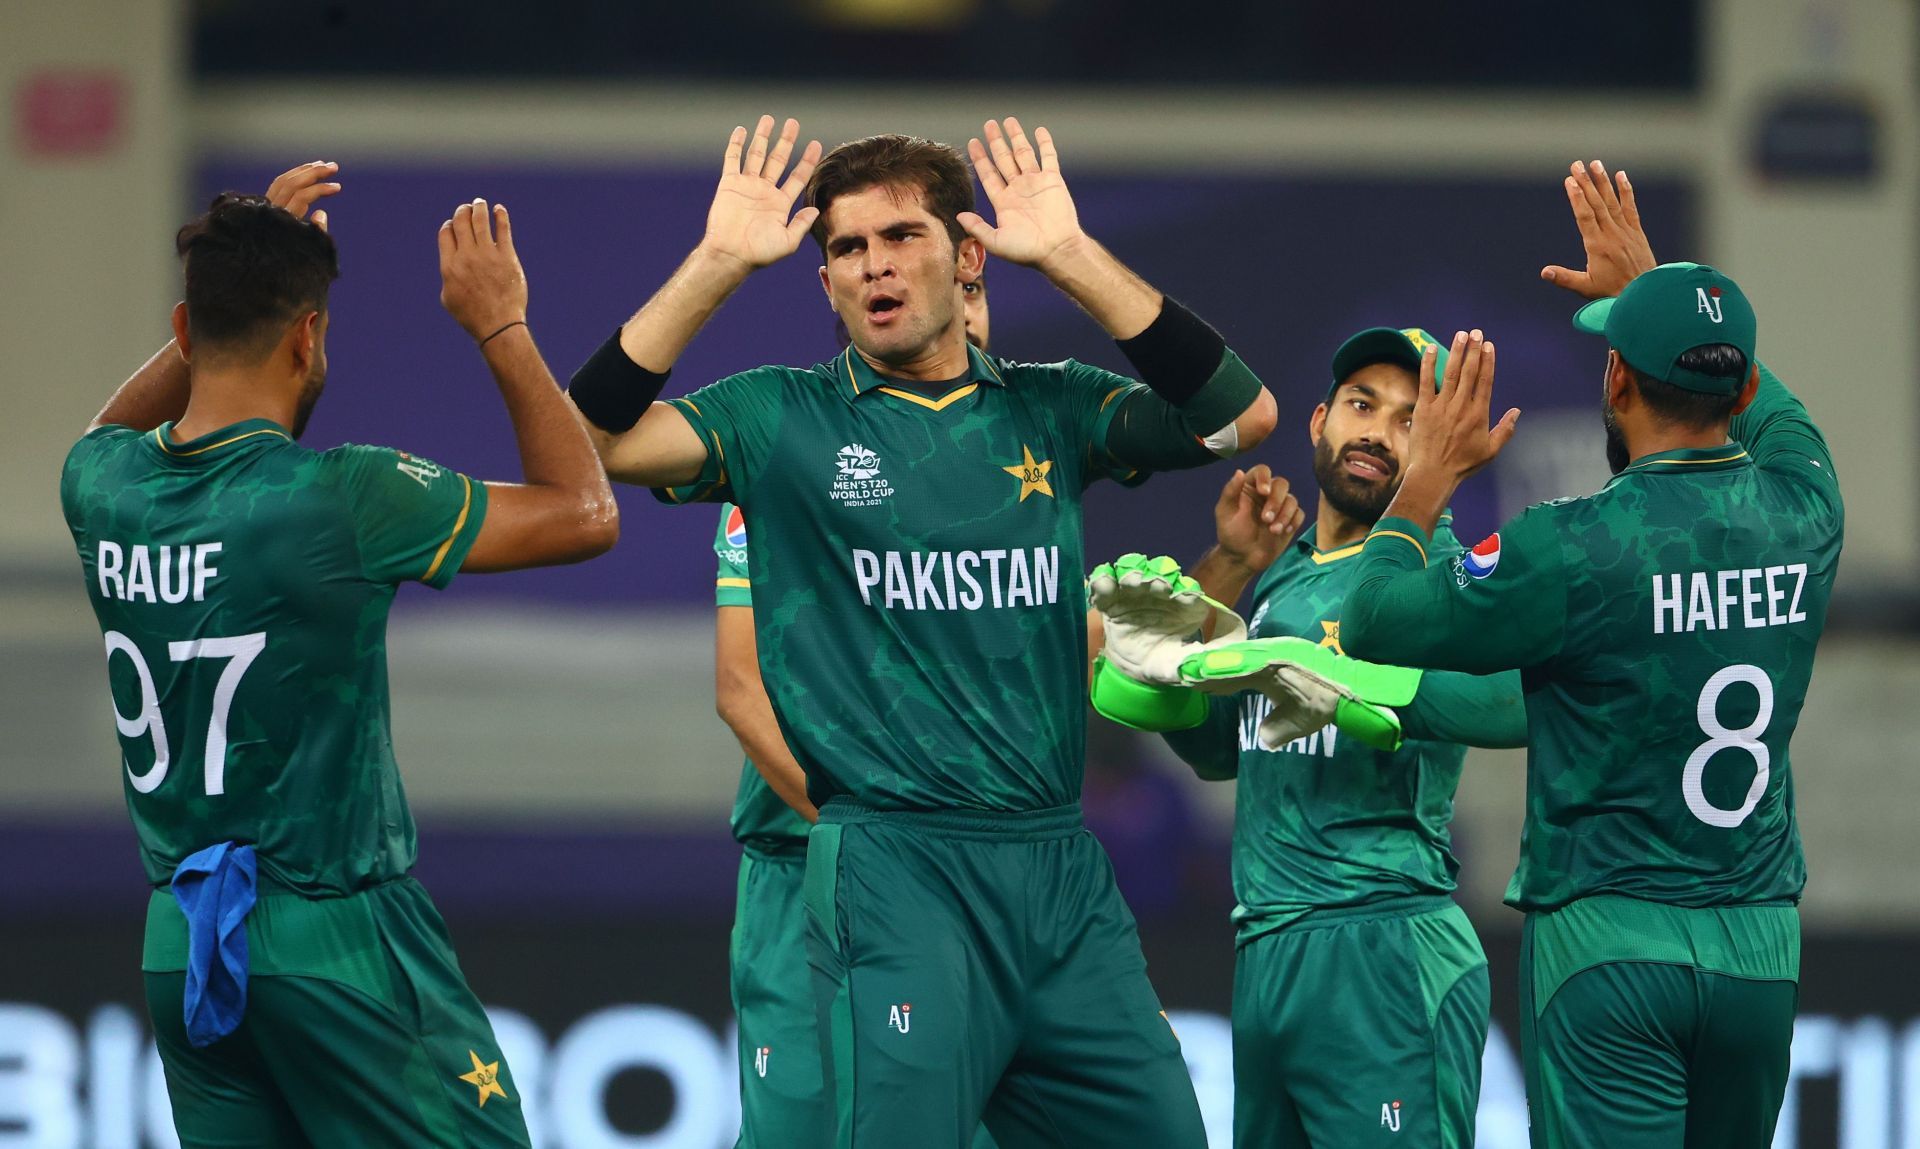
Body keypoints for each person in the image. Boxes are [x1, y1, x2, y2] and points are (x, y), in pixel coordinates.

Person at [568, 114, 1276, 1145]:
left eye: (902, 236)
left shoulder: (1050, 410)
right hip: (894, 869)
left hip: (1055, 871)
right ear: (824, 284)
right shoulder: (780, 420)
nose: (874, 267)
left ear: (968, 255)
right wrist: (718, 262)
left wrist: (1071, 255)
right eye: (847, 249)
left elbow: (1239, 417)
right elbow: (586, 441)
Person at [60, 162, 617, 1148]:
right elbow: (585, 513)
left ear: (186, 335)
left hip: (183, 945)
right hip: (334, 939)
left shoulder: (99, 484)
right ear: (309, 335)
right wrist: (502, 325)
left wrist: (235, 278)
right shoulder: (342, 498)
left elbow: (115, 425)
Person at [1341, 162, 1843, 1148]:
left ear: (1615, 378)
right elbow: (1777, 416)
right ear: (1737, 384)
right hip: (1759, 947)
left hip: (1609, 941)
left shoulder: (1570, 544)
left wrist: (1429, 475)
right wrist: (1659, 289)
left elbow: (1375, 622)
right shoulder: (1807, 509)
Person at [1147, 327, 1526, 1148]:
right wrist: (1226, 565)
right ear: (1319, 420)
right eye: (1362, 406)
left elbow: (1514, 704)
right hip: (1268, 947)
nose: (1377, 434)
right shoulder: (1280, 576)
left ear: (1440, 448)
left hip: (1382, 940)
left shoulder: (1445, 566)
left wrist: (1357, 687)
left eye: (1408, 421)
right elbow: (1222, 749)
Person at [711, 273, 994, 1147]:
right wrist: (858, 834)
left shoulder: (1013, 487)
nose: (966, 315)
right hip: (813, 869)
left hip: (977, 880)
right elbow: (741, 687)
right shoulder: (791, 460)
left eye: (977, 292)